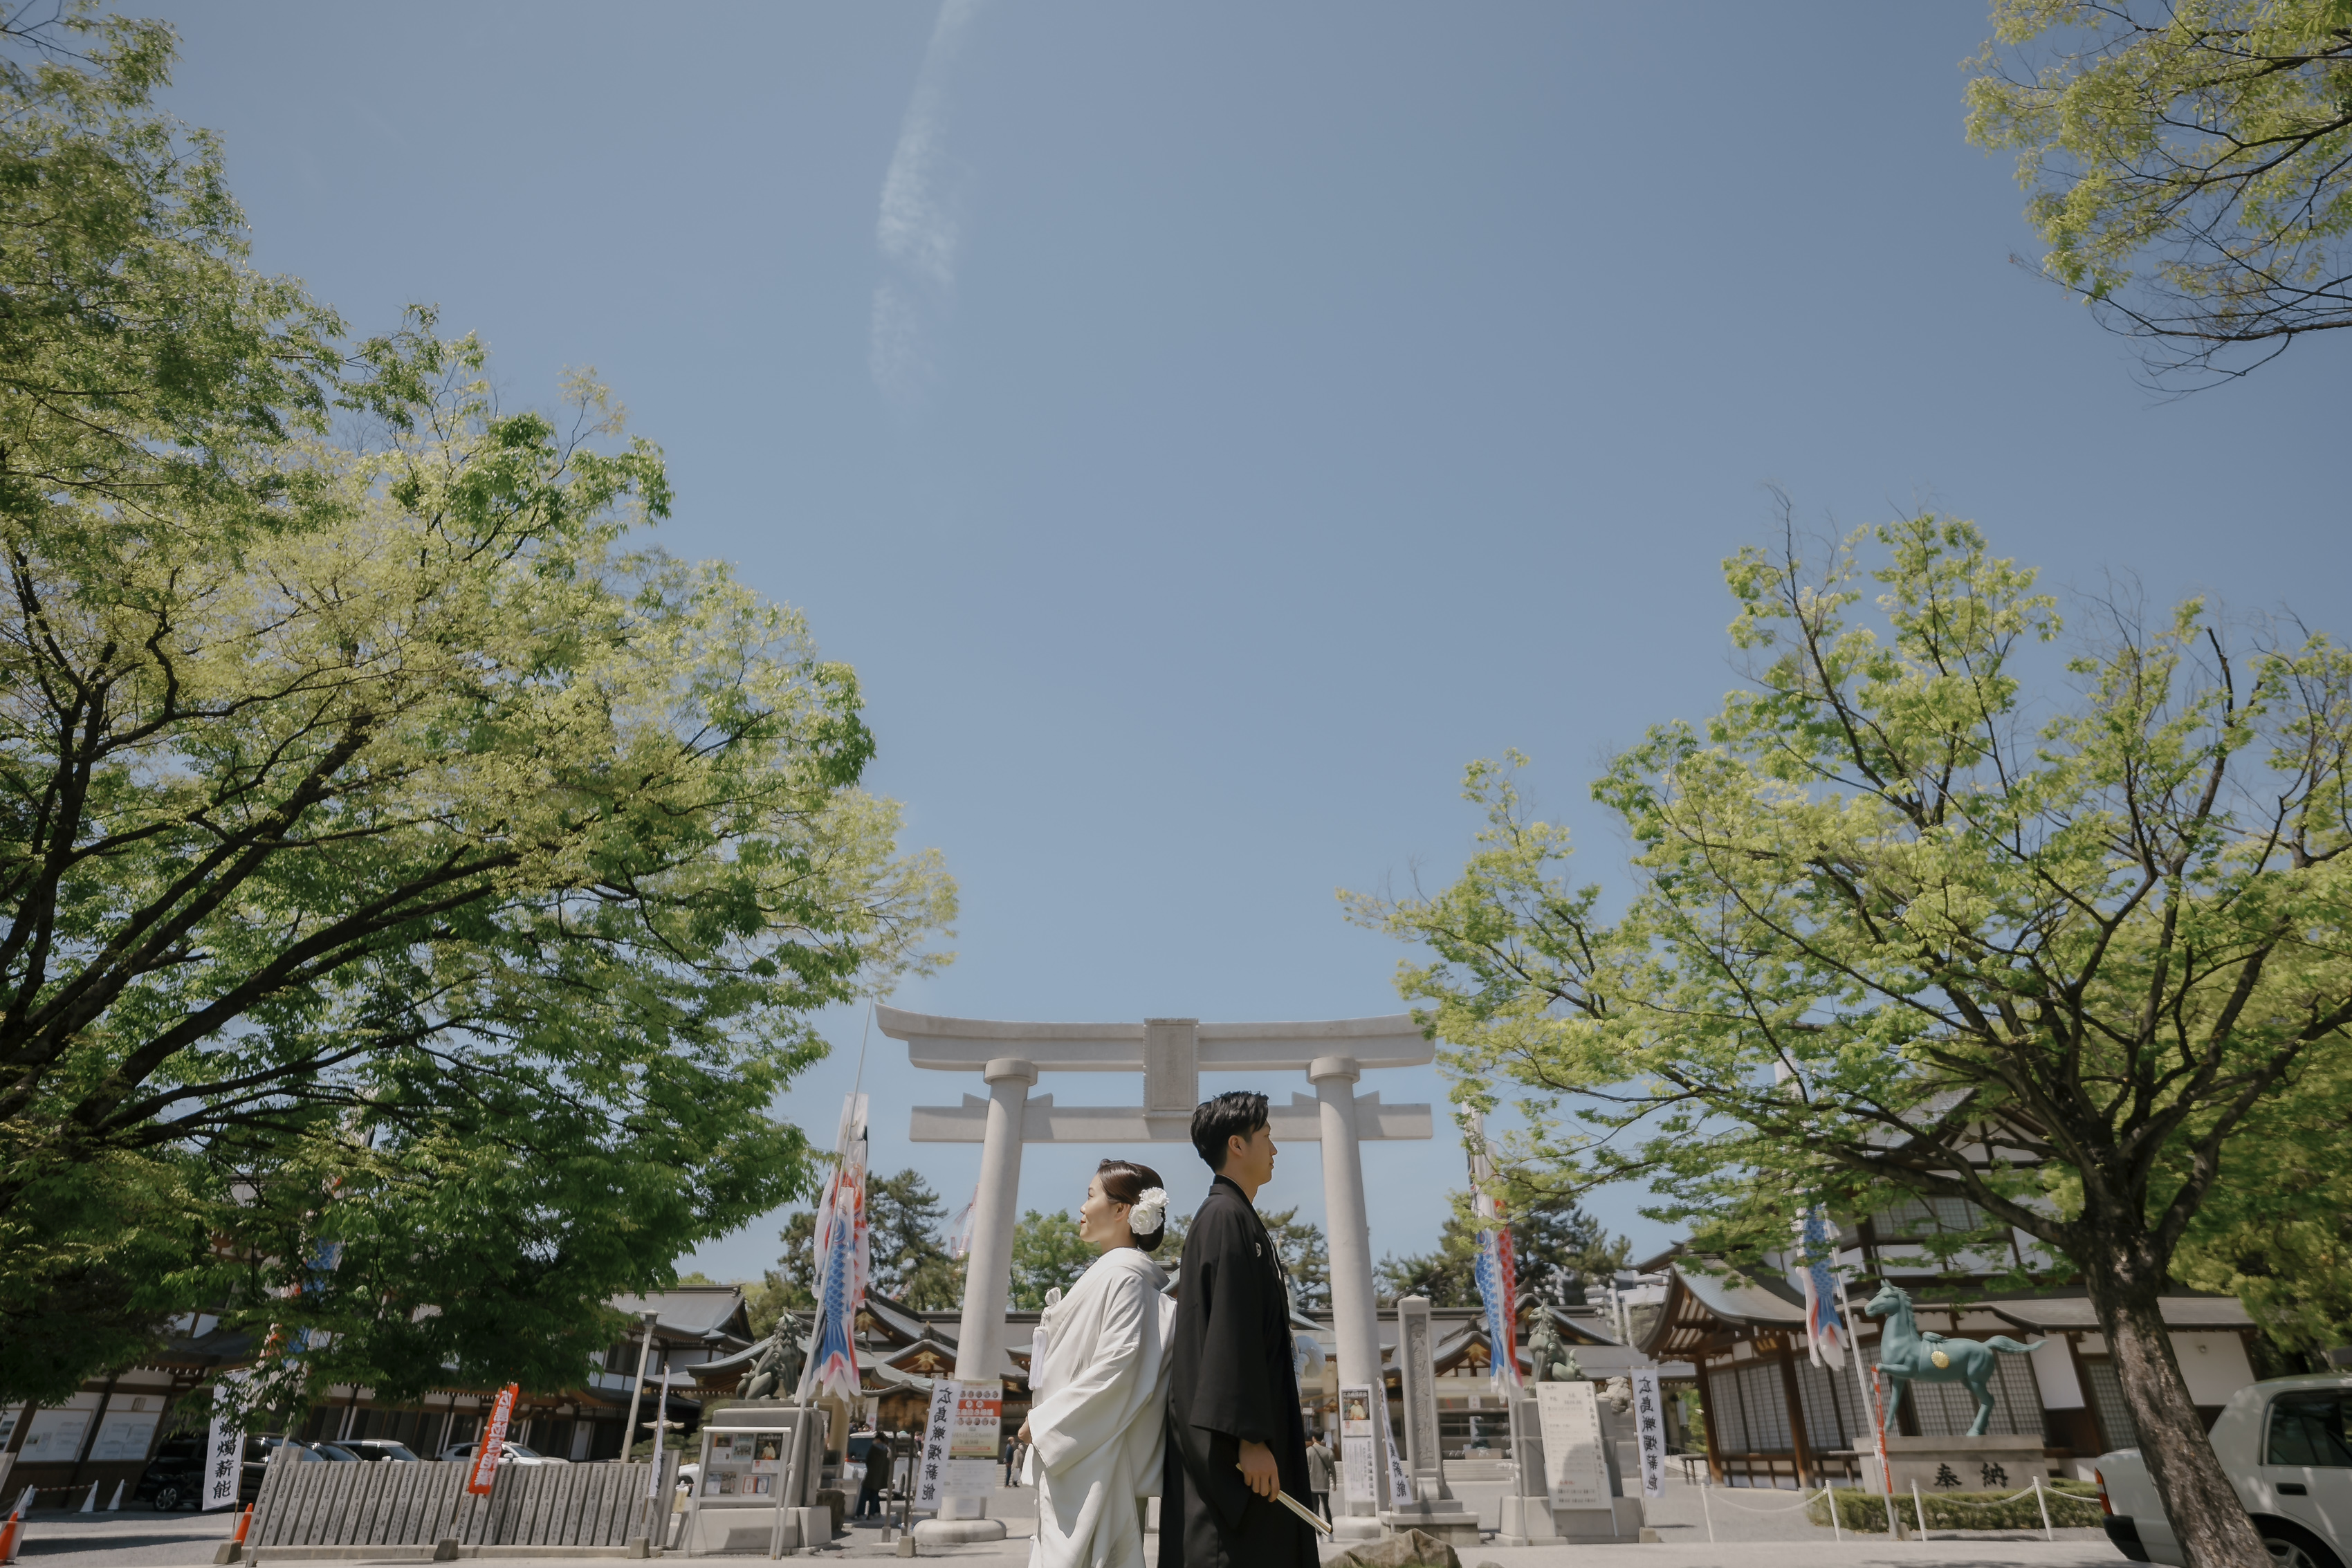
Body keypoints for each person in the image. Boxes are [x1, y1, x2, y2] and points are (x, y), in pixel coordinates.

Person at [1160, 1092, 1316, 1568]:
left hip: (1251, 1442)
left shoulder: (1234, 1217)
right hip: (1236, 1452)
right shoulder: (1224, 1218)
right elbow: (1229, 1333)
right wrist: (1248, 1437)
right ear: (1237, 1144)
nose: (1275, 1148)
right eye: (1266, 1136)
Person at [1015, 1159, 1175, 1568]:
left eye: (1091, 1196)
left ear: (1122, 1210)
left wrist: (1046, 1422)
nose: (1083, 1207)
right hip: (1081, 1451)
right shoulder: (1113, 1274)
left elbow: (1119, 1367)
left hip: (1099, 1453)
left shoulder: (1126, 1278)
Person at [856, 1431, 892, 1519]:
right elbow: (888, 1465)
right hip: (879, 1477)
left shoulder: (874, 1448)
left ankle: (860, 1514)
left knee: (864, 1495)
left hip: (870, 1475)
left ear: (878, 1440)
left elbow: (868, 1460)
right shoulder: (887, 1451)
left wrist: (871, 1469)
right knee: (874, 1496)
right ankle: (872, 1514)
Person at [1304, 1435, 1333, 1524]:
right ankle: (1330, 1528)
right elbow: (1332, 1469)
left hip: (1313, 1485)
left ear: (1314, 1438)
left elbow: (1306, 1468)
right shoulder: (1328, 1451)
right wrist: (1334, 1483)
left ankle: (1317, 1529)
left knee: (1315, 1510)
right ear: (1323, 1438)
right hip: (1324, 1485)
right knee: (1327, 1508)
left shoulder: (1308, 1451)